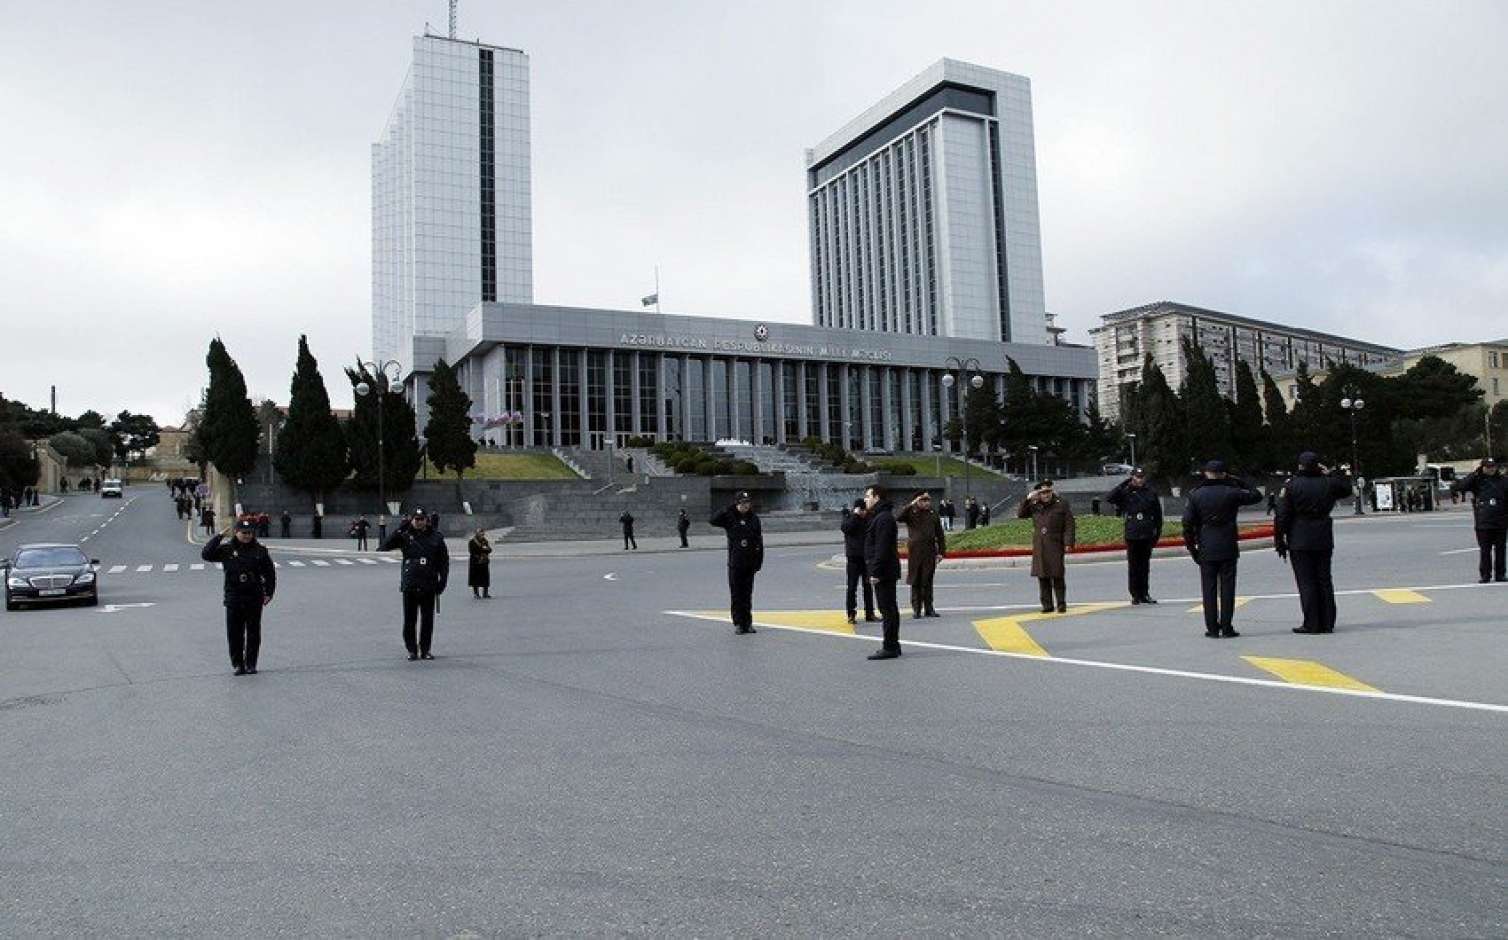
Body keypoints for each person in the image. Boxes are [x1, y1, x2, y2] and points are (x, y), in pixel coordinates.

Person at [1182, 459, 1264, 638]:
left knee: (1208, 589)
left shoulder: (1196, 494)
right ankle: (1227, 627)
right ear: (1224, 473)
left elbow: (1187, 524)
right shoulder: (1232, 492)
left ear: (1205, 473)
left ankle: (1212, 628)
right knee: (1227, 588)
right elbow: (1256, 495)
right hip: (1227, 543)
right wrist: (1238, 480)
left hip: (1206, 544)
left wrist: (1192, 548)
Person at [1274, 452, 1352, 634]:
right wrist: (1329, 474)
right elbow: (1346, 489)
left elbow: (1282, 515)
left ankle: (1312, 622)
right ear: (1318, 466)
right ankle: (1327, 622)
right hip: (1323, 534)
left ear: (1300, 466)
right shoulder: (1328, 483)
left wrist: (1280, 538)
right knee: (1324, 579)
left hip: (1299, 535)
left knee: (1306, 581)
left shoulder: (1291, 485)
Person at [200, 518, 276, 676]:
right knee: (234, 633)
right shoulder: (227, 549)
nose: (247, 536)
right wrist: (219, 536)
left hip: (254, 596)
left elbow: (270, 573)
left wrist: (269, 593)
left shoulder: (260, 550)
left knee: (253, 632)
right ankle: (238, 664)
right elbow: (206, 555)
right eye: (244, 533)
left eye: (250, 533)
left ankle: (251, 664)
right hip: (234, 596)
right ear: (236, 532)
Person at [379, 509, 450, 660]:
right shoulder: (404, 536)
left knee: (427, 620)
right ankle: (412, 649)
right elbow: (383, 546)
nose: (419, 521)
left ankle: (425, 649)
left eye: (421, 518)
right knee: (409, 619)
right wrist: (401, 528)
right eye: (416, 519)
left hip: (429, 583)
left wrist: (442, 582)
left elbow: (444, 562)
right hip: (410, 583)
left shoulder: (436, 537)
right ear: (412, 520)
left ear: (426, 520)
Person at [1105, 468, 1163, 604]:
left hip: (1147, 532)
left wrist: (1157, 534)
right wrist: (1125, 483)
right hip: (1132, 533)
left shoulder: (1150, 492)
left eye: (1142, 477)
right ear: (1132, 477)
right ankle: (1135, 594)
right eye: (1137, 477)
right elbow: (1109, 498)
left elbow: (1158, 515)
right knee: (1134, 566)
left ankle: (1145, 593)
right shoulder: (1126, 492)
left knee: (1145, 566)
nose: (1140, 479)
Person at [710, 491, 763, 634]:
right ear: (737, 503)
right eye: (742, 503)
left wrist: (759, 562)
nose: (745, 505)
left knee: (747, 594)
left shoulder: (754, 519)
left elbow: (759, 540)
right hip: (736, 563)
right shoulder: (730, 517)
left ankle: (748, 623)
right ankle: (738, 623)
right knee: (736, 594)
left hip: (750, 562)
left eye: (747, 502)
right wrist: (728, 509)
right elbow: (713, 520)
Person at [1019, 480, 1076, 614]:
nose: (1046, 495)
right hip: (1040, 544)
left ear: (1052, 491)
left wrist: (1068, 542)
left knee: (1057, 574)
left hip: (1055, 543)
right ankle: (1047, 605)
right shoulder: (1034, 505)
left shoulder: (1061, 504)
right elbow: (1021, 514)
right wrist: (1028, 499)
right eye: (1043, 492)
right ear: (1038, 494)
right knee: (1042, 575)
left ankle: (1061, 603)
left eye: (1048, 491)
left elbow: (1069, 524)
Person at [863, 484, 903, 660]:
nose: (866, 499)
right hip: (885, 570)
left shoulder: (884, 518)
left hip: (884, 571)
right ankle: (893, 644)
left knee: (887, 609)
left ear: (877, 497)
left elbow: (882, 548)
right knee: (889, 608)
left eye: (868, 496)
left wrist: (875, 572)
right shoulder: (880, 516)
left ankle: (890, 646)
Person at [1452, 458, 1507, 583]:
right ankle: (1485, 575)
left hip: (1501, 520)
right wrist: (1474, 474)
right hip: (1483, 521)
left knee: (1501, 549)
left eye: (1493, 466)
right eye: (1488, 467)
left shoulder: (1503, 481)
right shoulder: (1477, 481)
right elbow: (1461, 486)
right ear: (1482, 467)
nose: (1491, 469)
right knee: (1485, 550)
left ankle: (1500, 574)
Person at [896, 491, 946, 619]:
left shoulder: (933, 513)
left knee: (928, 580)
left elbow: (939, 534)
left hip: (929, 551)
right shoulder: (911, 512)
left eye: (928, 500)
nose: (927, 502)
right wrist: (911, 504)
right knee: (916, 580)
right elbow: (899, 517)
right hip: (916, 552)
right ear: (917, 501)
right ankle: (917, 609)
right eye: (923, 500)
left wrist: (941, 552)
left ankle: (929, 608)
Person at [840, 498, 877, 625]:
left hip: (866, 557)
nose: (863, 512)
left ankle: (870, 613)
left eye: (864, 510)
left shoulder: (868, 519)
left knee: (868, 587)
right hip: (853, 558)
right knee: (852, 587)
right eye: (861, 510)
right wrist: (855, 515)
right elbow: (846, 528)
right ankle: (851, 613)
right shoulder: (849, 518)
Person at [467, 528, 493, 599]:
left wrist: (485, 551)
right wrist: (483, 551)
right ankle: (476, 593)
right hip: (475, 562)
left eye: (482, 533)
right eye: (480, 533)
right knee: (475, 578)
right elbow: (472, 551)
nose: (482, 534)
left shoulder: (485, 541)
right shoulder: (472, 542)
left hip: (483, 562)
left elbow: (489, 549)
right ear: (477, 534)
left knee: (485, 578)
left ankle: (485, 593)